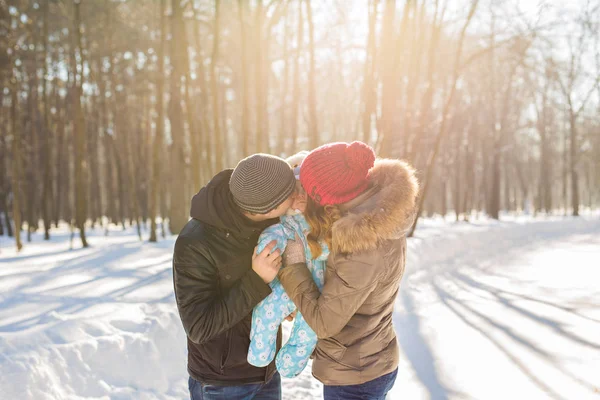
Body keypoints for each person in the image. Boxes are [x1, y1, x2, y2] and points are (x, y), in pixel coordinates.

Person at [278, 141, 419, 400]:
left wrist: (294, 266)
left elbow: (324, 322)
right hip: (371, 359)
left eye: (308, 190)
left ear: (325, 197)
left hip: (355, 378)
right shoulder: (378, 209)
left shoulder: (361, 245)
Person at [173, 153, 301, 400]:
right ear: (269, 208)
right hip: (223, 384)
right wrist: (256, 279)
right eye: (292, 193)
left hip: (267, 370)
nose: (298, 197)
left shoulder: (271, 221)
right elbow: (199, 327)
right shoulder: (195, 242)